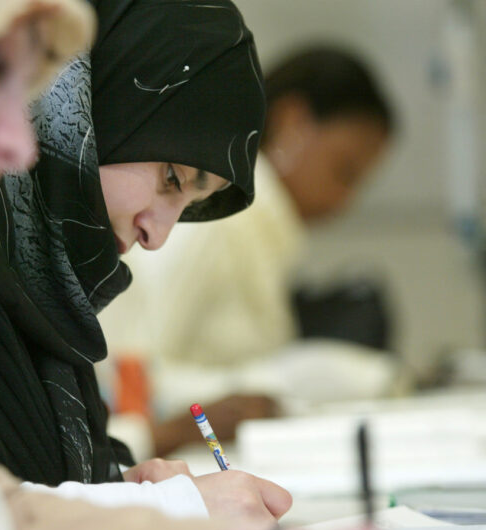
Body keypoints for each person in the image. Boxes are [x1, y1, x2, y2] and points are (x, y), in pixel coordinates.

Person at [0, 0, 290, 513]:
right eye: (173, 180)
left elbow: (43, 483)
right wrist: (170, 512)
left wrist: (125, 487)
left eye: (186, 206)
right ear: (98, 104)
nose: (157, 234)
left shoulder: (43, 299)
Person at [98, 46, 397, 458]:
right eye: (343, 171)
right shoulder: (219, 211)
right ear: (293, 121)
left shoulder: (272, 230)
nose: (346, 200)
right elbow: (132, 374)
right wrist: (273, 383)